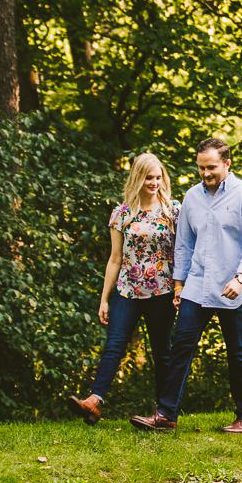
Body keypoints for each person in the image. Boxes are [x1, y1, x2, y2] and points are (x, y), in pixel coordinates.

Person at [130, 136, 242, 434]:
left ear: (227, 164)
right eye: (201, 168)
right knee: (181, 347)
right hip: (197, 284)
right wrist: (179, 285)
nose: (206, 174)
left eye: (212, 168)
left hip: (233, 286)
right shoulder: (192, 197)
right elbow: (184, 244)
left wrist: (241, 277)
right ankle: (166, 415)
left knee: (237, 351)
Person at [71, 153, 178, 425]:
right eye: (148, 177)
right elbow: (115, 258)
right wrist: (104, 299)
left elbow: (182, 252)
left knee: (161, 351)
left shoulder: (173, 211)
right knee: (114, 345)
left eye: (157, 177)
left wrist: (180, 287)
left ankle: (165, 412)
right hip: (126, 290)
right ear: (137, 178)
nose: (153, 182)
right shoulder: (122, 213)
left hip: (162, 291)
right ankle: (94, 401)